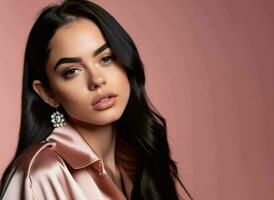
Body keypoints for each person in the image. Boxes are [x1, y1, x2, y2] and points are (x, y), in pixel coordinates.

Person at [0, 0, 193, 199]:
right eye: (72, 71)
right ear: (48, 93)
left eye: (106, 58)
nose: (97, 80)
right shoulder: (41, 175)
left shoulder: (140, 159)